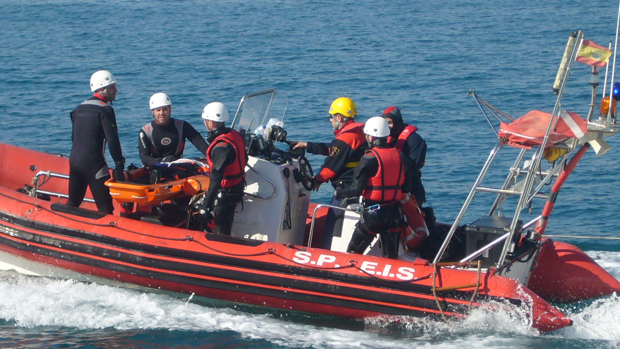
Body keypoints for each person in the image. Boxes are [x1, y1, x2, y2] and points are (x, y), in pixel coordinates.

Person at [291, 97, 367, 250]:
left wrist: (316, 180)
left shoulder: (346, 138)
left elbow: (331, 166)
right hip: (358, 185)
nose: (330, 120)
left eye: (332, 117)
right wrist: (307, 145)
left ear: (339, 117)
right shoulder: (357, 133)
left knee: (332, 225)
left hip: (346, 189)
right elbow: (334, 150)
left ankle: (328, 250)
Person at [335, 117, 410, 259]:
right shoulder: (400, 156)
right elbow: (407, 184)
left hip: (374, 215)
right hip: (394, 215)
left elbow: (355, 190)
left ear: (370, 137)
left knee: (352, 254)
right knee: (391, 258)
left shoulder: (367, 159)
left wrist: (340, 192)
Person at [66, 70, 125, 214]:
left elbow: (75, 138)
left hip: (74, 162)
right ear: (102, 89)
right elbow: (112, 140)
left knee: (73, 203)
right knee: (105, 209)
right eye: (112, 87)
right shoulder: (105, 110)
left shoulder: (78, 109)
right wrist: (119, 163)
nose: (116, 90)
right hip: (94, 164)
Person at [382, 106, 430, 250]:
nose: (389, 127)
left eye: (390, 123)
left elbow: (413, 167)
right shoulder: (386, 139)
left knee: (411, 220)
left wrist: (394, 156)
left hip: (411, 188)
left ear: (398, 122)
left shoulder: (415, 140)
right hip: (392, 188)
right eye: (386, 124)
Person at [199, 102, 247, 236]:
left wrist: (206, 205)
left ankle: (221, 248)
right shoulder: (235, 135)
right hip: (238, 188)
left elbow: (216, 177)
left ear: (211, 123)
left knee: (222, 230)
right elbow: (244, 159)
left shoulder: (221, 147)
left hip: (226, 194)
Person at [138, 92, 209, 168]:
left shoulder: (182, 126)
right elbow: (144, 157)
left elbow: (202, 146)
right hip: (155, 169)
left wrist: (215, 158)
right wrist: (162, 163)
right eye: (158, 110)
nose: (162, 113)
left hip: (177, 167)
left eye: (165, 109)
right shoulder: (145, 131)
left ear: (170, 109)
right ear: (153, 112)